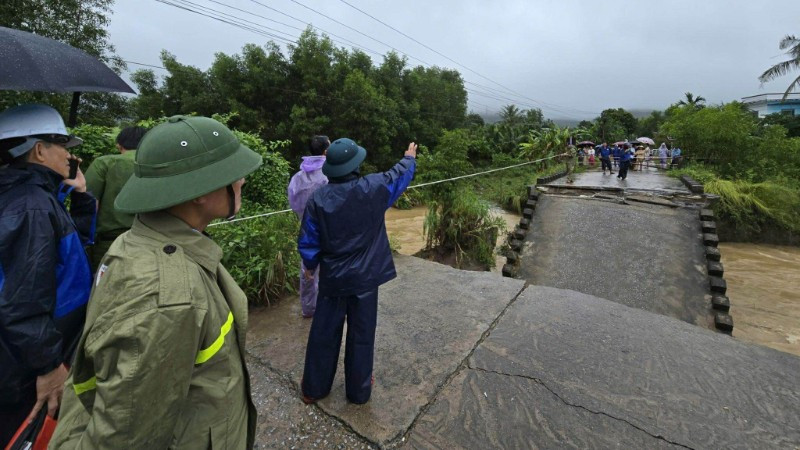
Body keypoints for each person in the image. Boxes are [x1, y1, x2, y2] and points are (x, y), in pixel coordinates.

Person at [50, 116, 260, 449]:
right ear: (200, 191)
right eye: (231, 173)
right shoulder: (168, 296)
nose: (243, 180)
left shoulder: (134, 240)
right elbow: (123, 437)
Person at [0, 104, 96, 446]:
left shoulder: (31, 198)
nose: (72, 157)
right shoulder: (32, 206)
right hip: (27, 370)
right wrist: (48, 366)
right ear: (40, 150)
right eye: (65, 148)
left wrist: (81, 198)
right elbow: (23, 299)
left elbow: (66, 259)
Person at [299, 138, 417, 405]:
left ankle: (314, 389)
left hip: (333, 280)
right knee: (362, 335)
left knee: (323, 334)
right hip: (365, 279)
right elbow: (398, 176)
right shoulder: (373, 187)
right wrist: (409, 158)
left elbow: (309, 238)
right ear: (355, 165)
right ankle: (359, 391)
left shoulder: (318, 199)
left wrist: (310, 265)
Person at [84, 126, 148, 272]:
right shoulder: (159, 165)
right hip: (153, 245)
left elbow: (89, 206)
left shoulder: (104, 163)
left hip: (110, 246)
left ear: (119, 145)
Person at [288, 135, 330, 318]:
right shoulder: (329, 173)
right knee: (329, 267)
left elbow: (293, 201)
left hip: (305, 227)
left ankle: (308, 308)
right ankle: (329, 307)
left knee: (307, 268)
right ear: (326, 151)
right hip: (328, 228)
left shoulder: (298, 176)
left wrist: (303, 218)